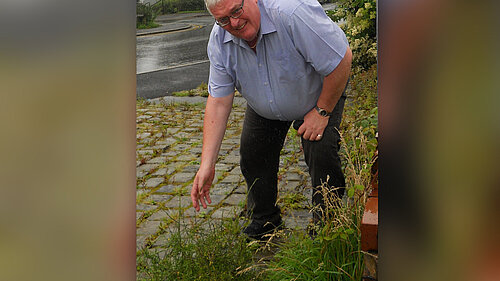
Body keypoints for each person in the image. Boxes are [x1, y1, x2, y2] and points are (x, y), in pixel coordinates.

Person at [190, 0, 352, 240]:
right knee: (253, 151)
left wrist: (322, 111)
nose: (233, 23)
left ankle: (328, 223)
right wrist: (207, 164)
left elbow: (341, 59)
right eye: (223, 19)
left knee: (321, 149)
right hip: (265, 101)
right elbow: (218, 101)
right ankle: (264, 219)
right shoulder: (219, 40)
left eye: (237, 10)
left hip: (319, 92)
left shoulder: (291, 13)